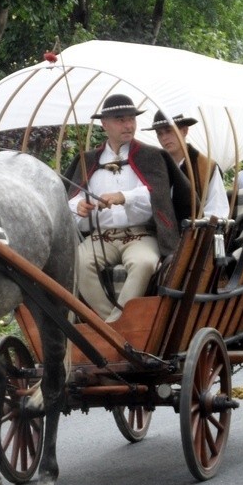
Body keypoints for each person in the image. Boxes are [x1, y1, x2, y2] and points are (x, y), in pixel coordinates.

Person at [66, 94, 191, 322]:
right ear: (104, 124)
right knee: (78, 263)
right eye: (121, 120)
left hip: (141, 236)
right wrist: (79, 208)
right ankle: (112, 325)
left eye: (131, 119)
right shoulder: (88, 160)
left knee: (143, 264)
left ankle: (116, 325)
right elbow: (71, 200)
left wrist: (123, 196)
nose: (129, 125)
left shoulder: (151, 156)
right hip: (100, 237)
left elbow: (157, 196)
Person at [146, 111, 230, 218]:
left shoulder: (206, 166)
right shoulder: (156, 167)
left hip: (197, 231)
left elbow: (218, 209)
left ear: (184, 131)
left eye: (169, 131)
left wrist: (196, 229)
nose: (164, 138)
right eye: (160, 133)